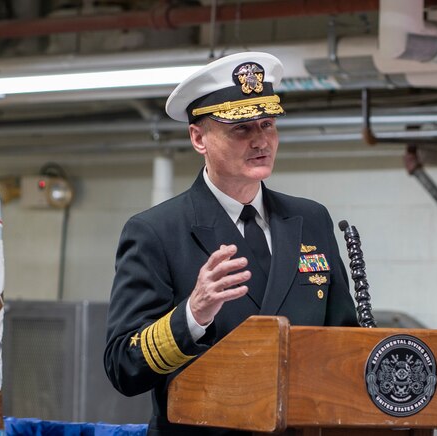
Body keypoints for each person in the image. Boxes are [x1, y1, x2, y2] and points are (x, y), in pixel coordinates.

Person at [104, 52, 360, 436]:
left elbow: (343, 339)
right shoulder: (156, 231)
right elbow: (123, 366)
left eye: (268, 125)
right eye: (241, 129)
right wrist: (193, 314)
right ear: (198, 138)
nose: (261, 141)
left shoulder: (311, 219)